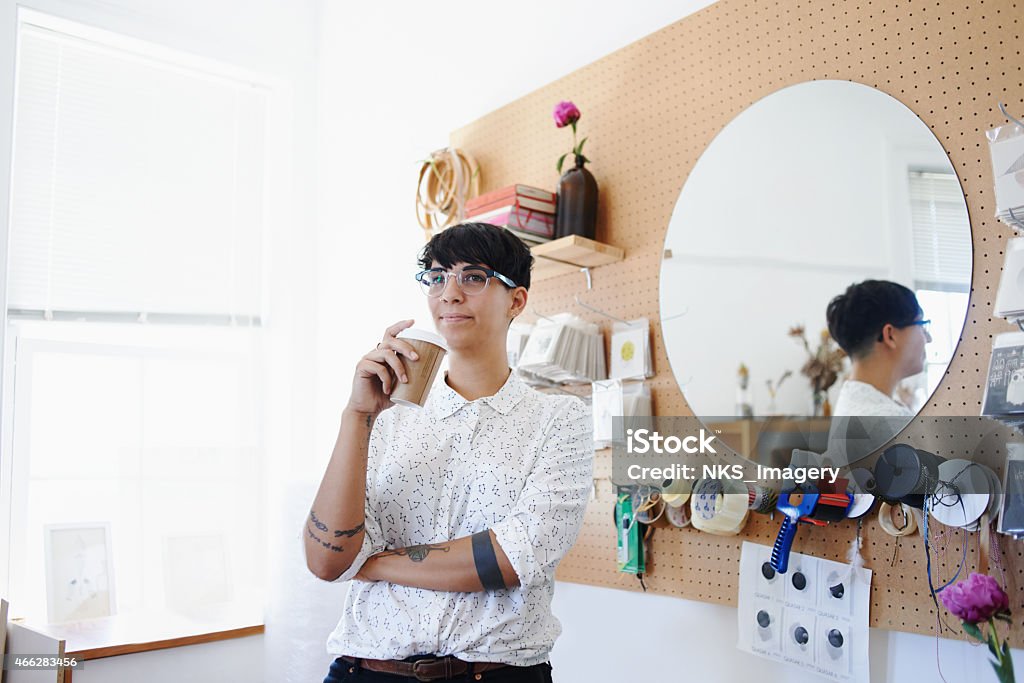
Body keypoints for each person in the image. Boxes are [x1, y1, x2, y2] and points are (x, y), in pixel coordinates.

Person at [304, 222, 594, 683]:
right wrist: (357, 415)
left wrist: (371, 561)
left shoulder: (560, 420)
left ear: (516, 300)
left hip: (497, 674)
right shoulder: (386, 416)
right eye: (437, 277)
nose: (449, 293)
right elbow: (327, 561)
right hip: (366, 671)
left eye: (474, 276)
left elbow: (512, 559)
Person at [825, 279, 932, 417]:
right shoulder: (888, 419)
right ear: (890, 335)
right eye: (921, 325)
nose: (928, 338)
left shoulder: (851, 399)